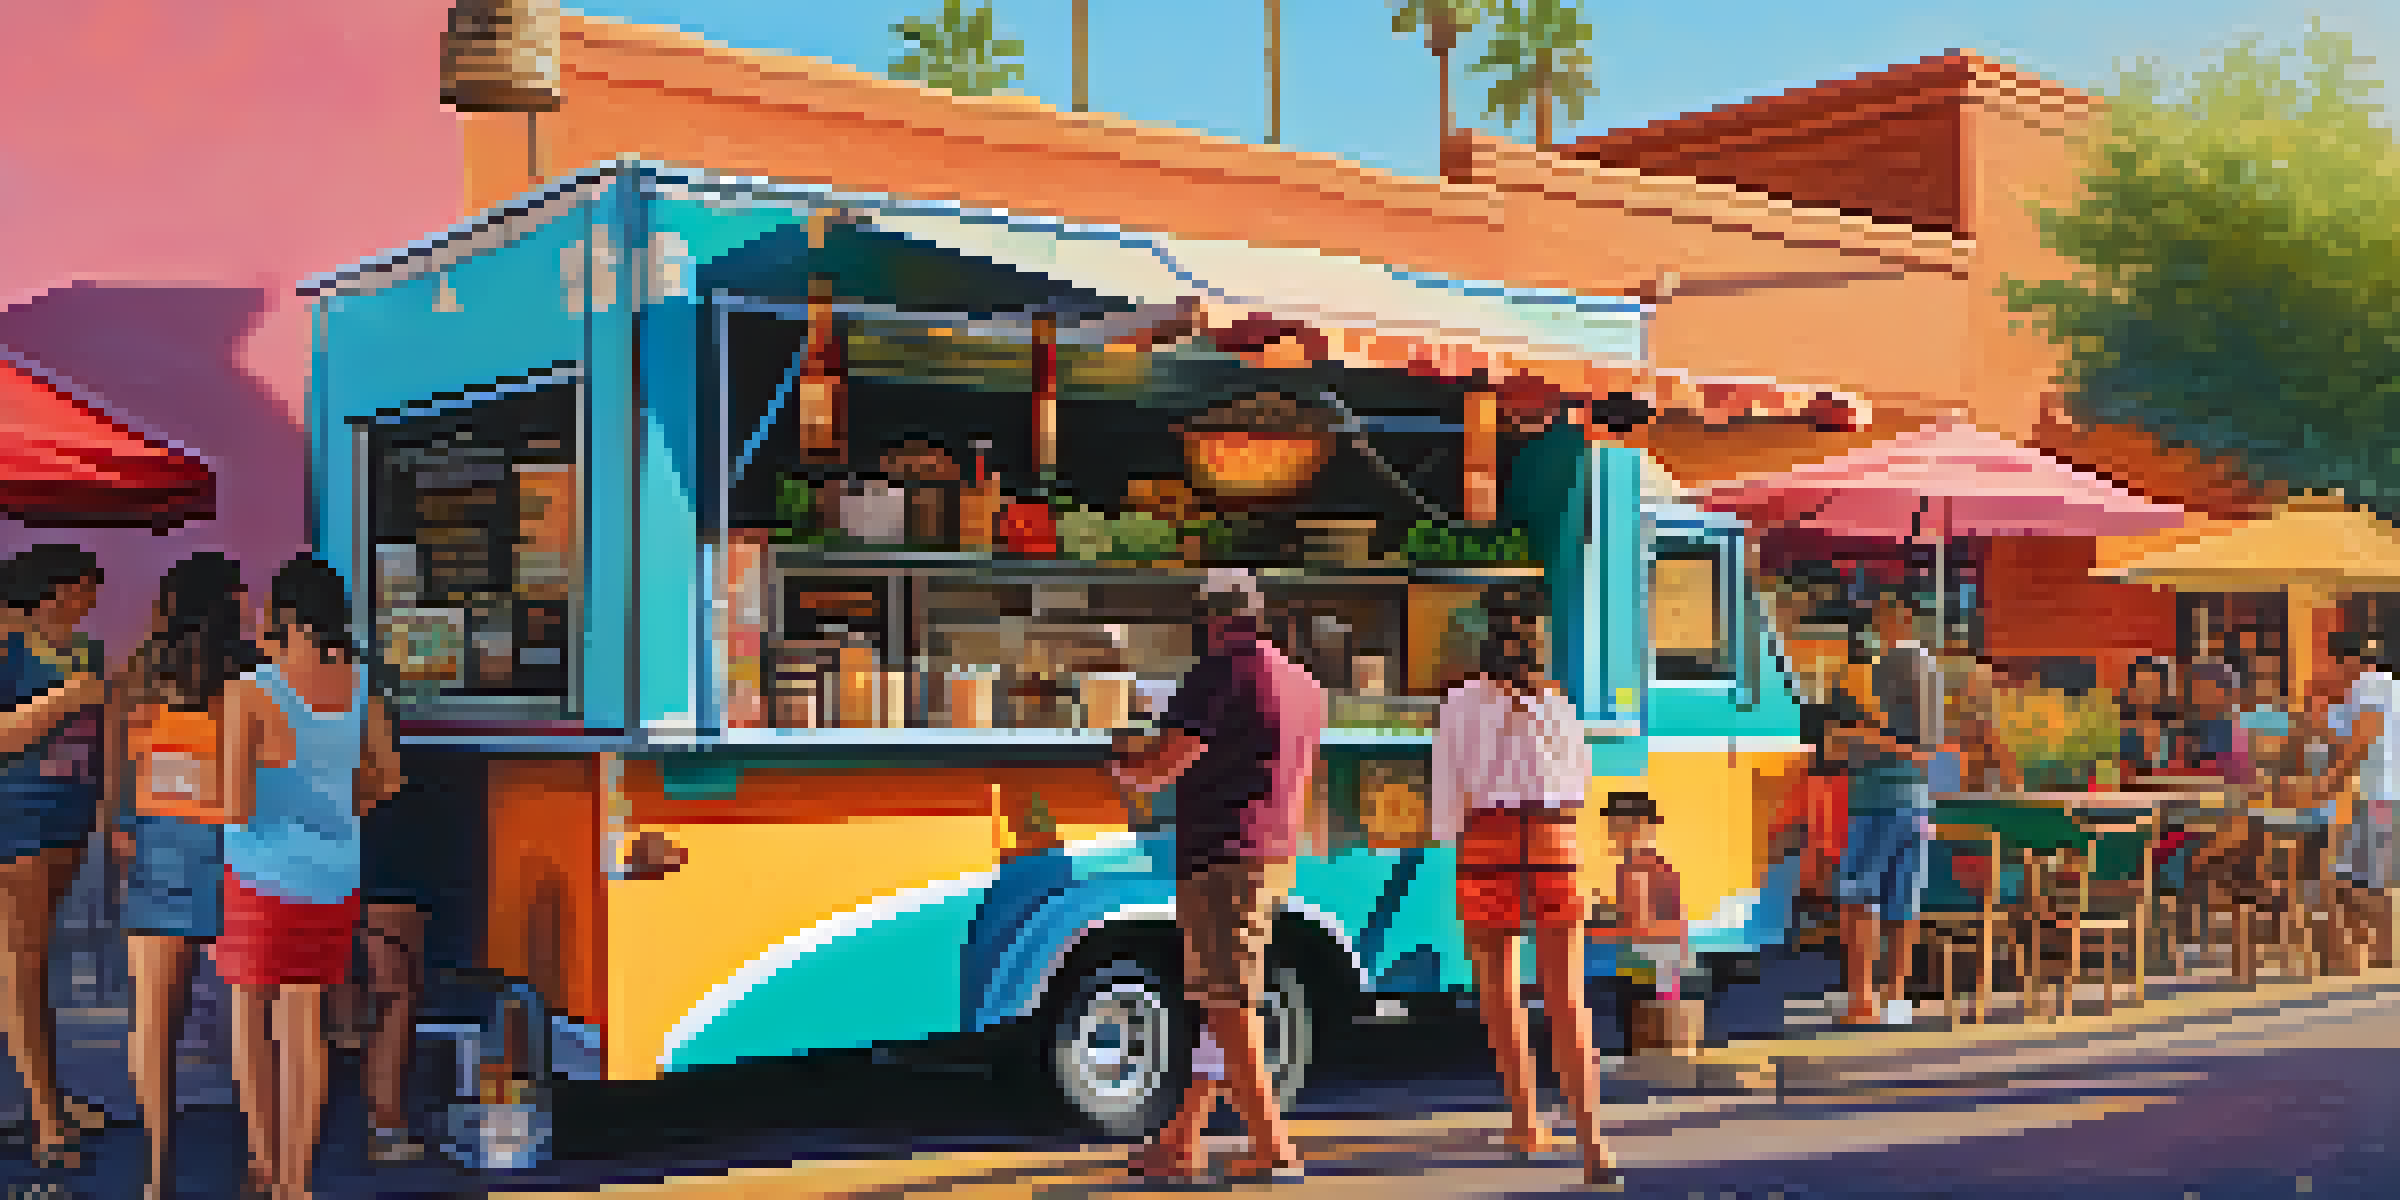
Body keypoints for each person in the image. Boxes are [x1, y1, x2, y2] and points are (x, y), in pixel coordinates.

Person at [1107, 570, 1325, 1185]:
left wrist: (1125, 767)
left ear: (1209, 618)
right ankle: (1181, 1140)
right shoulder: (1301, 681)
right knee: (1215, 1003)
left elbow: (1166, 762)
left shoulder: (1221, 672)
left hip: (1223, 856)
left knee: (1228, 1002)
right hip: (1270, 851)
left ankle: (1273, 1147)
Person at [217, 556, 400, 1200]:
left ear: (285, 617)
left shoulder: (252, 690)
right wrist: (335, 806)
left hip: (260, 874)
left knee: (249, 1016)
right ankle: (298, 1184)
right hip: (332, 876)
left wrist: (183, 800)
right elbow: (386, 777)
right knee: (304, 1027)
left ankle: (266, 1162)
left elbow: (234, 805)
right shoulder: (358, 684)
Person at [1428, 593, 1616, 1188]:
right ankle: (1593, 1145)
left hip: (1488, 844)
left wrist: (1451, 842)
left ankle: (1527, 1120)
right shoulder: (1557, 704)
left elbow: (1445, 789)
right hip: (1556, 842)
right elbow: (1580, 783)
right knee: (1568, 999)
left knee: (1501, 991)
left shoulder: (1459, 702)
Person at [106, 553, 257, 1198]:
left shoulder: (137, 674)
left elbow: (117, 779)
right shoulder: (252, 673)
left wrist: (123, 839)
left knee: (154, 1023)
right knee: (247, 1022)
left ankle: (157, 1167)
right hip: (234, 850)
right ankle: (261, 1154)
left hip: (156, 850)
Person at [0, 544, 112, 1170]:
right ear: (56, 590)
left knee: (37, 964)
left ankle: (50, 1095)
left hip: (70, 818)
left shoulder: (87, 648)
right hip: (14, 817)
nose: (92, 598)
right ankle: (45, 1116)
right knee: (22, 963)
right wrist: (64, 700)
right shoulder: (4, 641)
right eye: (85, 587)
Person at [1834, 589, 1945, 1026]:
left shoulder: (1897, 666)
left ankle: (1863, 999)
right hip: (1914, 800)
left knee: (1859, 897)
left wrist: (1857, 740)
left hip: (1880, 798)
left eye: (1882, 616)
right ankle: (1894, 1000)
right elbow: (1927, 749)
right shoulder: (1924, 667)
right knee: (1903, 901)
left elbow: (1917, 749)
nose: (1877, 627)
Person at [1590, 792, 1691, 1076]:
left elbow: (1640, 926)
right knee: (1654, 1035)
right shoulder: (1657, 863)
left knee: (1644, 1031)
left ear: (1634, 827)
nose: (1612, 835)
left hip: (1649, 961)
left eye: (1615, 827)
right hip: (1664, 958)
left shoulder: (1635, 869)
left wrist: (1593, 927)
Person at [2319, 632, 2395, 973]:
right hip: (2379, 793)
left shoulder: (2366, 685)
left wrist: (2330, 779)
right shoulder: (2388, 684)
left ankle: (2377, 949)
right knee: (2360, 877)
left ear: (2344, 661)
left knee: (2355, 879)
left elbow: (2363, 738)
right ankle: (2375, 950)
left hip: (2371, 794)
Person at [2118, 657, 2179, 778]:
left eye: (2152, 687)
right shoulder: (2121, 732)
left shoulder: (2176, 733)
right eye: (2140, 687)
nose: (2146, 694)